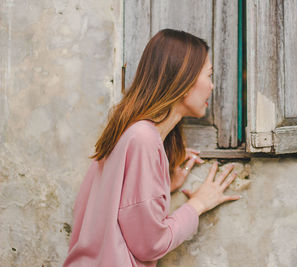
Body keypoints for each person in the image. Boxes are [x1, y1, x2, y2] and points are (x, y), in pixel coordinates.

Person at [63, 28, 241, 267]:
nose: (211, 86)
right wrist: (198, 204)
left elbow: (109, 210)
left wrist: (163, 186)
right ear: (185, 81)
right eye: (209, 75)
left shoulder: (129, 130)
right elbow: (150, 244)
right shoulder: (143, 139)